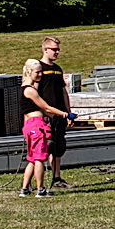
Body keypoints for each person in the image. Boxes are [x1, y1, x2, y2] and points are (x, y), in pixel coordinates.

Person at [20, 58, 76, 198]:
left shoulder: (29, 88)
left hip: (32, 125)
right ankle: (41, 189)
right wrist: (65, 114)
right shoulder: (30, 90)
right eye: (37, 72)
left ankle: (24, 189)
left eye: (41, 72)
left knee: (32, 158)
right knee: (39, 158)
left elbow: (41, 110)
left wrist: (54, 117)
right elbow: (46, 107)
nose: (40, 75)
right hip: (36, 126)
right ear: (29, 72)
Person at [37, 37, 73, 189]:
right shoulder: (38, 68)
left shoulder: (58, 69)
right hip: (44, 116)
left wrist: (68, 112)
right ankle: (36, 182)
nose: (57, 52)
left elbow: (63, 92)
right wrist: (42, 112)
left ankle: (56, 177)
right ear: (45, 50)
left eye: (58, 49)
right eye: (54, 49)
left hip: (59, 114)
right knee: (44, 148)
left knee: (58, 147)